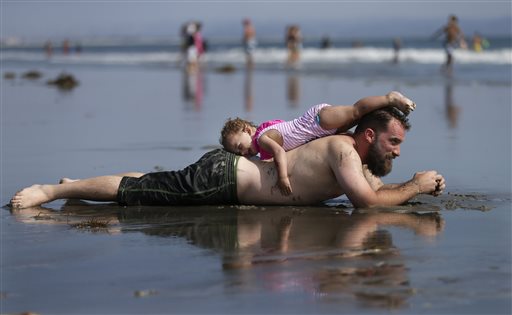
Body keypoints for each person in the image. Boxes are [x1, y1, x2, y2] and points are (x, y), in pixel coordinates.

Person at [10, 107, 445, 210]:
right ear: (370, 134)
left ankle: (75, 183)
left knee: (147, 180)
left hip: (226, 175)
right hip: (221, 178)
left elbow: (374, 189)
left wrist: (412, 187)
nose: (398, 150)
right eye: (393, 142)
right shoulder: (342, 150)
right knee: (134, 191)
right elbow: (367, 203)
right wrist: (416, 187)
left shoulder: (356, 157)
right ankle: (54, 190)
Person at [220, 91, 416, 195]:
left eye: (240, 146)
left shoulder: (263, 139)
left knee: (357, 112)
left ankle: (390, 98)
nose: (243, 153)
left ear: (247, 130)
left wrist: (283, 178)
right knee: (358, 126)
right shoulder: (263, 134)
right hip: (317, 131)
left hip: (317, 121)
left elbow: (280, 153)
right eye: (238, 153)